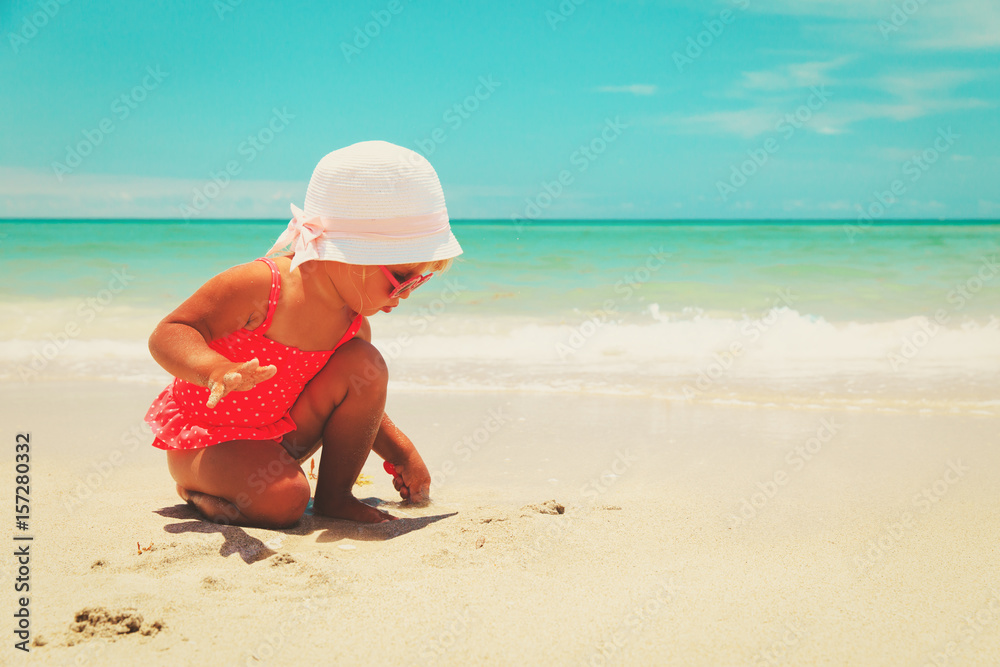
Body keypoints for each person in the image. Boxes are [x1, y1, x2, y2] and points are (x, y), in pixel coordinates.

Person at [145, 140, 462, 528]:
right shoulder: (262, 287)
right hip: (207, 439)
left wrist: (402, 453)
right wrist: (214, 369)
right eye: (400, 279)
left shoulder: (352, 323)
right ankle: (196, 490)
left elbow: (358, 403)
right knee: (286, 502)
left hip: (277, 437)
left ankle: (335, 497)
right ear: (350, 251)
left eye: (418, 282)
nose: (406, 294)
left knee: (365, 364)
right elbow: (170, 332)